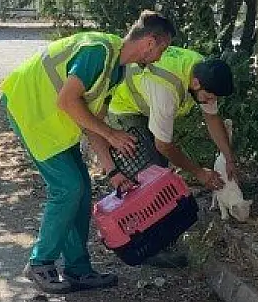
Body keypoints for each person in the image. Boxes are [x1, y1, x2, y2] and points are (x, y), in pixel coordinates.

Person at [1, 10, 175, 293]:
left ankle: (78, 270)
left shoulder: (116, 70)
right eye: (162, 49)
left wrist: (113, 172)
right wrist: (111, 135)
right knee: (68, 188)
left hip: (53, 119)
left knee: (80, 189)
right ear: (150, 43)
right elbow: (68, 100)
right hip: (29, 109)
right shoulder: (98, 51)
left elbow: (93, 123)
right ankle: (40, 263)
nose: (159, 57)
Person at [97, 47, 237, 266]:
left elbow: (212, 118)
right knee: (148, 178)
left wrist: (229, 157)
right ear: (197, 83)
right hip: (126, 110)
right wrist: (199, 173)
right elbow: (163, 145)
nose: (211, 100)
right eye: (209, 97)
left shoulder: (203, 71)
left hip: (148, 106)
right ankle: (148, 247)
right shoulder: (166, 89)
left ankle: (163, 235)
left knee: (159, 174)